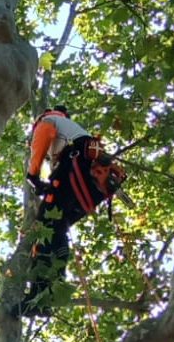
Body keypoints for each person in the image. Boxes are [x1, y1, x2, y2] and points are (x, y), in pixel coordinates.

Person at [15, 105, 123, 318]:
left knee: (46, 227)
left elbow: (43, 136)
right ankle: (45, 294)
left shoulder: (49, 120)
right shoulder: (74, 131)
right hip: (94, 186)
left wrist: (33, 175)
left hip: (76, 169)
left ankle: (41, 293)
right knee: (56, 228)